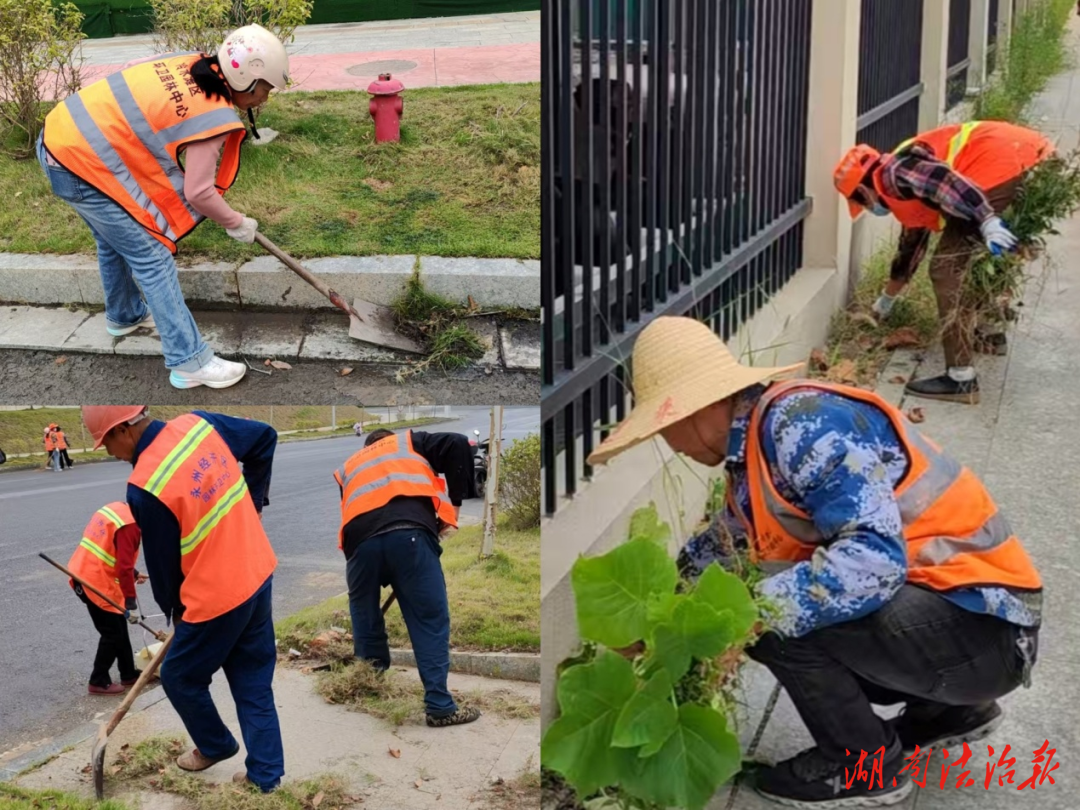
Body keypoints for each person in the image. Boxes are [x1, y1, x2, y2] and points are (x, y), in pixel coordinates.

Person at [587, 316, 1042, 808]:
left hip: (988, 633)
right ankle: (947, 712)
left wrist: (743, 621)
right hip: (972, 624)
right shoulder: (756, 450)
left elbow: (873, 564)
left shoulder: (801, 426)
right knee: (754, 595)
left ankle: (863, 765)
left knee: (764, 614)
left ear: (694, 410)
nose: (670, 445)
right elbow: (725, 551)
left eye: (663, 428)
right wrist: (654, 624)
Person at [38, 25, 291, 390]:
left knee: (115, 239)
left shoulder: (190, 62)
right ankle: (190, 362)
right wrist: (236, 222)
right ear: (247, 77)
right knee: (151, 254)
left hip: (59, 139)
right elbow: (200, 192)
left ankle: (124, 316)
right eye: (266, 88)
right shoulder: (214, 115)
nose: (266, 98)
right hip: (79, 163)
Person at [81, 405, 284, 792]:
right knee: (254, 683)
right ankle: (265, 777)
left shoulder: (144, 485)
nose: (109, 452)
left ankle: (215, 744)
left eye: (107, 441)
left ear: (124, 428)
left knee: (178, 676)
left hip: (216, 596)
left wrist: (177, 615)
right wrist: (253, 503)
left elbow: (164, 567)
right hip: (257, 572)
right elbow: (264, 439)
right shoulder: (198, 424)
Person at [833, 121, 1052, 405]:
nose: (867, 208)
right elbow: (911, 249)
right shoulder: (899, 185)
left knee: (946, 268)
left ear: (863, 192)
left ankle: (961, 378)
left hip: (997, 164)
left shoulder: (893, 173)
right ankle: (987, 334)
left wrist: (985, 218)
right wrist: (883, 304)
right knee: (974, 257)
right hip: (1015, 152)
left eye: (861, 203)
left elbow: (945, 181)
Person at [334, 428, 480, 728]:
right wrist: (454, 508)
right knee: (428, 619)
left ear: (367, 446)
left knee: (365, 615)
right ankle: (440, 706)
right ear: (388, 438)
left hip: (360, 546)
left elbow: (358, 512)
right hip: (409, 535)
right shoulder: (408, 441)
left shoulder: (348, 466)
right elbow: (457, 443)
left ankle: (369, 683)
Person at [67, 501, 148, 694]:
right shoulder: (130, 527)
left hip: (83, 571)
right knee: (112, 633)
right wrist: (131, 604)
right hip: (94, 582)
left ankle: (128, 674)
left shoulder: (116, 509)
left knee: (118, 626)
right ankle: (98, 680)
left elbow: (110, 550)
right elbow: (124, 568)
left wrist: (134, 573)